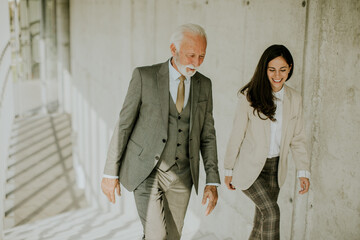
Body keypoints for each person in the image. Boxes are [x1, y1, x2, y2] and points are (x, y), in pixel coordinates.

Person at [101, 23, 220, 240]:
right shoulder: (144, 77)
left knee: (172, 238)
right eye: (191, 55)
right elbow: (124, 124)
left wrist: (212, 181)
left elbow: (207, 135)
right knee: (156, 236)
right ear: (173, 49)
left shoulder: (205, 85)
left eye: (202, 56)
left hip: (183, 176)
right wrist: (110, 172)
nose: (196, 63)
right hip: (147, 170)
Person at [224, 45, 310, 240]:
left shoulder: (295, 99)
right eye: (272, 69)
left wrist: (303, 171)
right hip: (249, 169)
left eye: (282, 69)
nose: (277, 75)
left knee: (261, 222)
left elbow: (298, 138)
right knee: (272, 213)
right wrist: (228, 169)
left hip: (275, 169)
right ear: (264, 69)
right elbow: (236, 134)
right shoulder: (249, 96)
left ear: (290, 68)